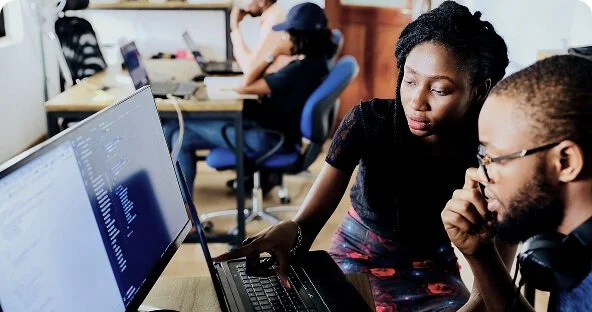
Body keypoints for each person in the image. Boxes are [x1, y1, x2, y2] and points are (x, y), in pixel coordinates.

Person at [214, 1, 511, 311]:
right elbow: (307, 224)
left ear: (478, 90)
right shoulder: (370, 122)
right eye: (409, 81)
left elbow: (489, 289)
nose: (416, 101)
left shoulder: (494, 153)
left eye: (439, 89)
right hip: (357, 257)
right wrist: (291, 231)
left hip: (434, 270)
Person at [442, 55, 592, 311]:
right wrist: (481, 255)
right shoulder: (569, 249)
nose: (479, 174)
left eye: (494, 158)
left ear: (565, 162)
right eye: (482, 157)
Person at [165, 2, 336, 194]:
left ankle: (184, 211)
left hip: (268, 139)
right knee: (175, 130)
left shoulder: (297, 71)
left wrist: (273, 53)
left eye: (286, 33)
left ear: (299, 37)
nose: (283, 37)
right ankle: (183, 208)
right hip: (274, 132)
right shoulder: (316, 63)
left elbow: (245, 85)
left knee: (178, 132)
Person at [230, 0, 293, 75]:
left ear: (261, 1)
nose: (245, 6)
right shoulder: (273, 16)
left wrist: (235, 27)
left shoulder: (273, 21)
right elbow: (254, 61)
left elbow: (250, 69)